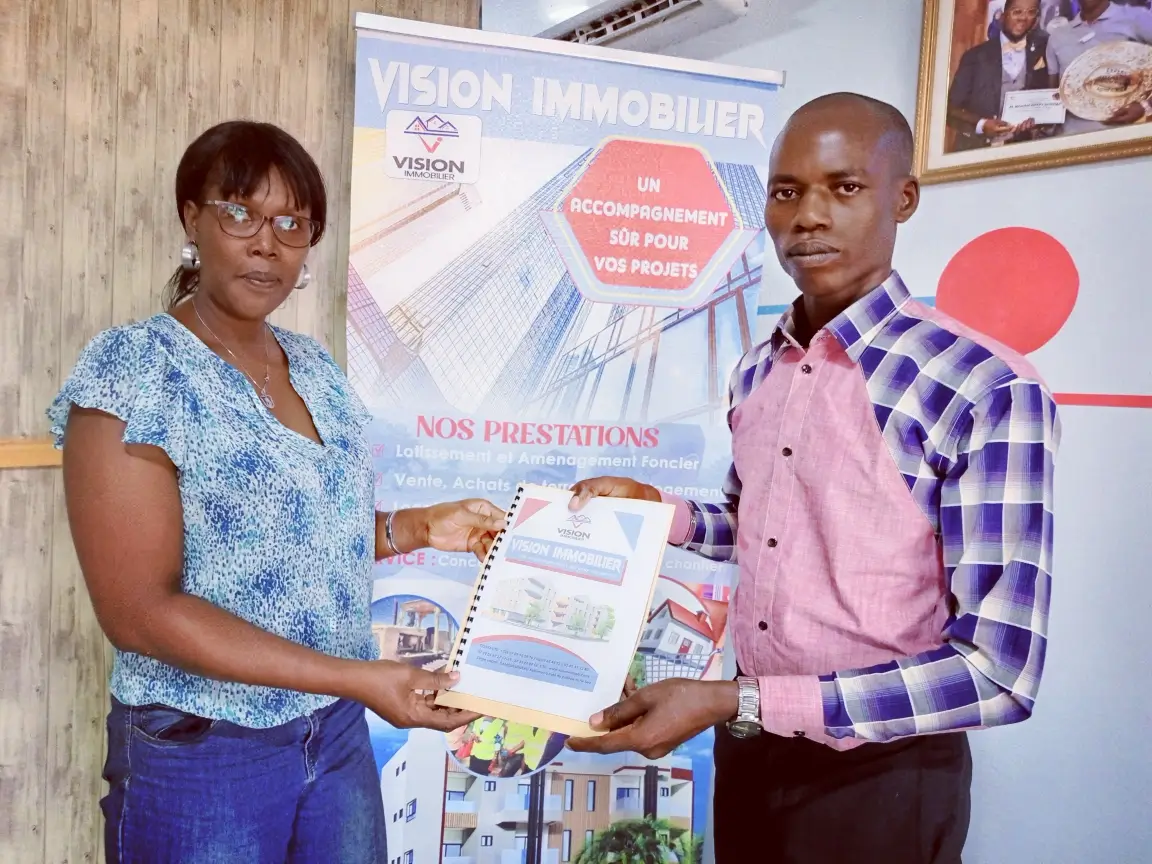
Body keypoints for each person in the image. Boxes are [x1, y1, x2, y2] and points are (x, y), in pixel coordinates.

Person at [566, 93, 1060, 863]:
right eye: (786, 191)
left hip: (880, 777)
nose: (808, 217)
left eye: (845, 186)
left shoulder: (981, 385)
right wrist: (660, 510)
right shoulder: (758, 367)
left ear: (904, 198)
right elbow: (764, 528)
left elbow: (998, 673)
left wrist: (739, 699)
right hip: (748, 748)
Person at [48, 120, 500, 864]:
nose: (267, 244)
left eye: (292, 223)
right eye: (241, 214)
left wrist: (418, 527)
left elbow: (295, 540)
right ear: (192, 219)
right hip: (204, 749)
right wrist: (360, 679)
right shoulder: (135, 369)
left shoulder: (312, 365)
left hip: (334, 734)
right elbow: (140, 614)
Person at [947, 0, 1051, 150]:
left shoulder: (1042, 52)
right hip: (976, 150)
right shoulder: (975, 56)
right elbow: (950, 110)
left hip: (1021, 150)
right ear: (1003, 16)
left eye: (1031, 12)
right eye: (1017, 12)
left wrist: (1034, 121)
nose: (1023, 18)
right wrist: (982, 124)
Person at [1045, 0, 1152, 133]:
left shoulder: (1137, 18)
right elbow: (1053, 96)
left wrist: (1145, 106)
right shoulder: (1058, 37)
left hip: (1128, 134)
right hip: (1072, 137)